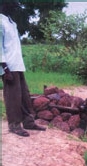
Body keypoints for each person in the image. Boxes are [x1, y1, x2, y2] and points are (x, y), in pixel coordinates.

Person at [1, 0, 46, 137]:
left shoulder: (11, 22)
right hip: (8, 66)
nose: (16, 7)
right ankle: (14, 125)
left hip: (18, 65)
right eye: (13, 5)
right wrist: (5, 68)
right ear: (4, 4)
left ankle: (28, 122)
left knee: (24, 95)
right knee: (13, 97)